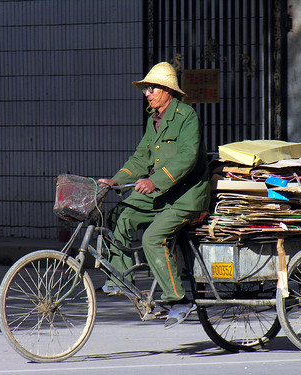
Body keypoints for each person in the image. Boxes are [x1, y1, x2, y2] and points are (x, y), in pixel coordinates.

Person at [98, 62, 211, 329]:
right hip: (161, 192)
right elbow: (140, 158)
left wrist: (155, 181)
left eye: (152, 88)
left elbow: (187, 158)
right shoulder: (154, 120)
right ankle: (121, 280)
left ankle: (178, 301)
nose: (147, 93)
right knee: (119, 215)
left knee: (153, 238)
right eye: (146, 89)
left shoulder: (186, 117)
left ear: (167, 91)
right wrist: (116, 179)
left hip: (187, 197)